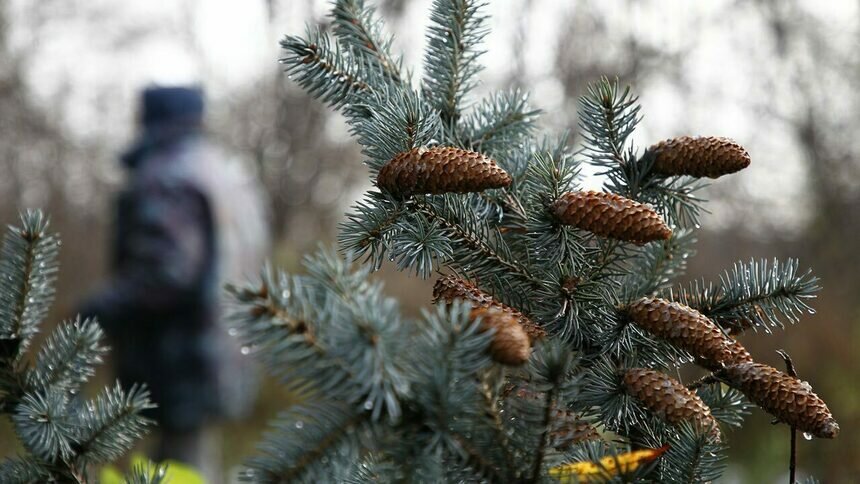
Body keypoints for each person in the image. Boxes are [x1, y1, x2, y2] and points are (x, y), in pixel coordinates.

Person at [81, 86, 268, 482]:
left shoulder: (167, 175)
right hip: (222, 354)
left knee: (178, 469)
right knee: (193, 463)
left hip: (179, 362)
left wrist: (98, 308)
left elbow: (167, 271)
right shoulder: (224, 172)